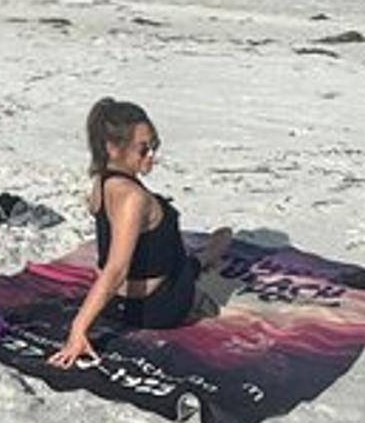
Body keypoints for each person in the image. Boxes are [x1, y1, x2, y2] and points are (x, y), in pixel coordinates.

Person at [45, 98, 232, 367]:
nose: (151, 156)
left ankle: (199, 261)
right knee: (219, 241)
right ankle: (201, 269)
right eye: (143, 149)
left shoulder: (101, 181)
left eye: (154, 146)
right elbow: (116, 269)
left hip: (113, 305)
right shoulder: (133, 197)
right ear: (113, 148)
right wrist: (78, 330)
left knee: (167, 237)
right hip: (157, 308)